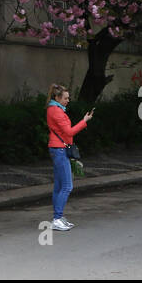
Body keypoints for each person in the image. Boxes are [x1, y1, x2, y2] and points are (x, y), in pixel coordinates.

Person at [46, 84, 93, 232]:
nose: (68, 100)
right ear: (57, 98)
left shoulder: (54, 109)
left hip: (57, 148)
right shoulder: (57, 112)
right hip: (59, 149)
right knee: (67, 186)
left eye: (68, 97)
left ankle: (58, 217)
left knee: (59, 186)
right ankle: (57, 219)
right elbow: (69, 132)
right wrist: (84, 121)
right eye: (65, 98)